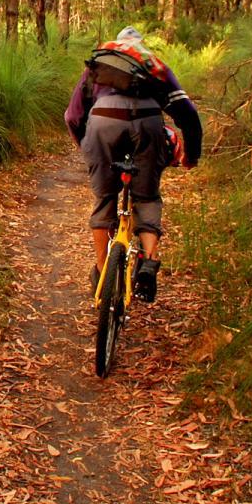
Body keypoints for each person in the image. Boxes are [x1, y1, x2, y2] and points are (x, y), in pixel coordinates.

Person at [63, 26, 202, 300]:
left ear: (116, 43)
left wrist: (87, 147)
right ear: (140, 45)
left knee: (105, 197)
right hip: (147, 122)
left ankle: (102, 272)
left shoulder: (98, 64)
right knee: (147, 197)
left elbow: (73, 116)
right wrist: (191, 155)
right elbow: (187, 113)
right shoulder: (153, 65)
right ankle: (149, 262)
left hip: (103, 123)